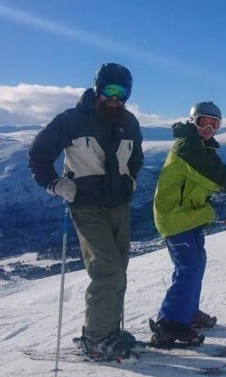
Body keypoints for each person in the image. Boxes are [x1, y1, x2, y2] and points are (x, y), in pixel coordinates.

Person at [28, 62, 143, 360]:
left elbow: (136, 158)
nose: (115, 98)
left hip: (119, 205)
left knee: (119, 267)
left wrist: (130, 180)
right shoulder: (72, 120)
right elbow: (38, 154)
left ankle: (110, 330)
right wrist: (53, 183)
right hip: (88, 206)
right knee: (106, 269)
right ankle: (96, 337)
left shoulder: (129, 122)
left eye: (122, 92)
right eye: (110, 90)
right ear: (97, 88)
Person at [151, 101, 226, 347]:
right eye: (204, 122)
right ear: (193, 121)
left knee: (197, 263)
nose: (209, 128)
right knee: (188, 268)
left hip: (190, 215)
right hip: (174, 217)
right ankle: (170, 324)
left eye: (214, 125)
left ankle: (188, 312)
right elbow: (216, 176)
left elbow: (218, 170)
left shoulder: (205, 148)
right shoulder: (187, 147)